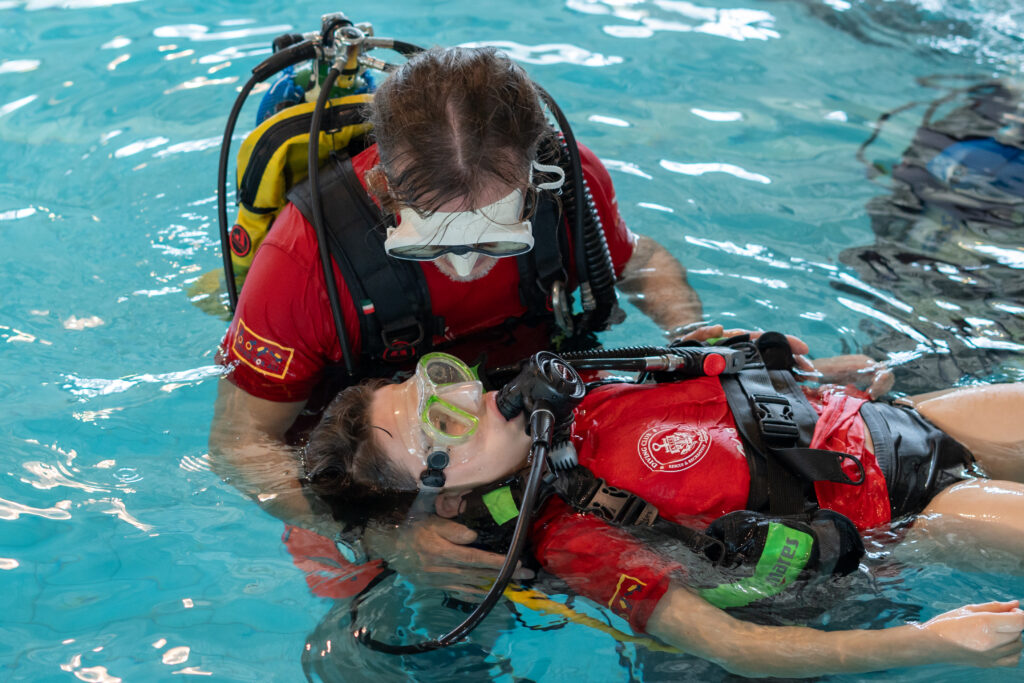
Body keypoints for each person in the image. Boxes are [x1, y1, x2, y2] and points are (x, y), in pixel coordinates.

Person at [208, 46, 705, 569]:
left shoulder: (571, 185)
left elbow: (638, 260)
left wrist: (691, 331)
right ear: (384, 192)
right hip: (388, 472)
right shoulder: (303, 260)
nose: (465, 268)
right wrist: (381, 536)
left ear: (535, 184)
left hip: (538, 428)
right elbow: (239, 444)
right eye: (432, 247)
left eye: (496, 243)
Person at [302, 343, 1024, 677]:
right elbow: (737, 648)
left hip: (894, 419)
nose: (466, 399)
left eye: (442, 380)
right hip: (911, 510)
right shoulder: (572, 537)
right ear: (452, 497)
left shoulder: (574, 381)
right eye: (443, 426)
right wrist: (933, 642)